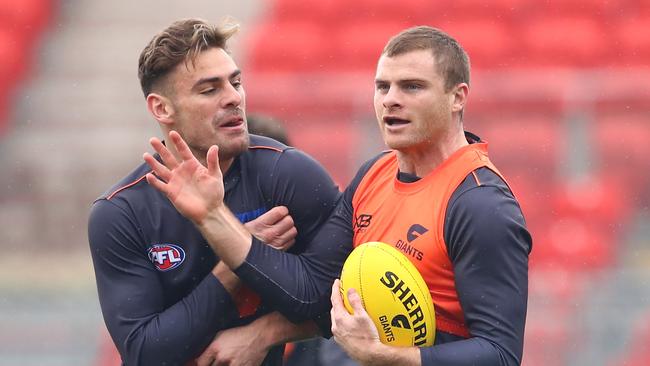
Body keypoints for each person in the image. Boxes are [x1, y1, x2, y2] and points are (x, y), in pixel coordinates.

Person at [145, 26, 532, 365]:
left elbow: (499, 354)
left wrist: (388, 357)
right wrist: (212, 216)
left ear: (457, 97)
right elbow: (312, 291)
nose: (390, 100)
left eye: (412, 86)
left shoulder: (480, 204)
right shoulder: (373, 175)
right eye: (383, 86)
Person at [88, 18, 340, 366]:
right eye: (210, 90)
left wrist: (262, 334)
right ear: (162, 108)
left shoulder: (291, 175)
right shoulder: (120, 213)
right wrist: (239, 257)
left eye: (236, 82)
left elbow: (341, 300)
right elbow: (147, 352)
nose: (233, 98)